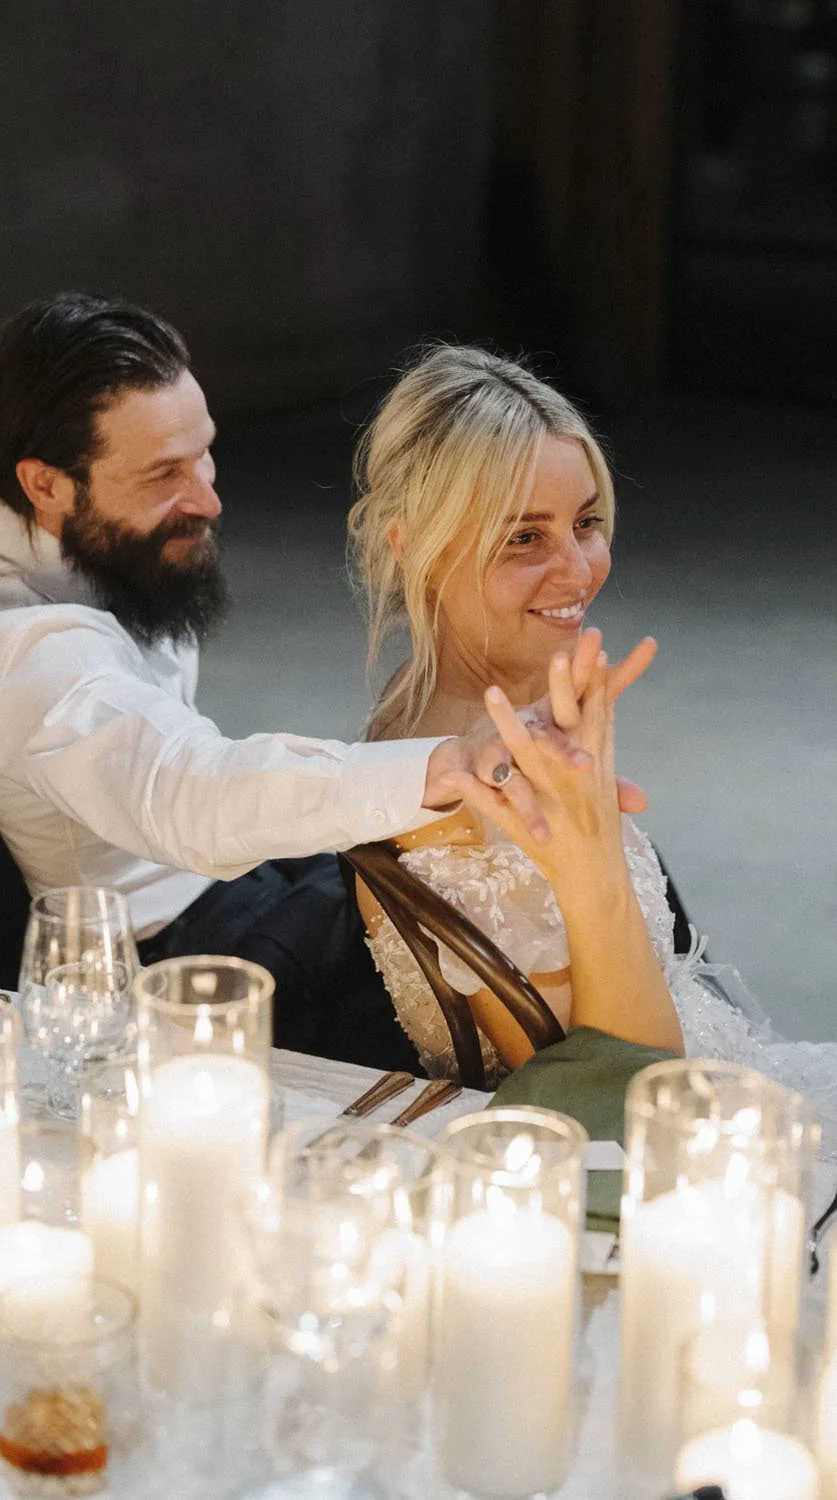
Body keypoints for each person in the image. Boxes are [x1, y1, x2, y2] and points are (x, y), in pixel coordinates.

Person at [0, 294, 649, 1057]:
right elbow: (187, 789)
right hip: (171, 959)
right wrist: (446, 762)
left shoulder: (65, 537)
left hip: (239, 880)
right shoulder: (8, 651)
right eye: (165, 474)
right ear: (46, 486)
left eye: (205, 453)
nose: (208, 498)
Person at [348, 344, 837, 1142]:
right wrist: (592, 854)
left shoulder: (462, 697)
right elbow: (630, 1101)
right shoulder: (460, 793)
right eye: (522, 539)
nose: (577, 570)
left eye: (584, 523)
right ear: (413, 551)